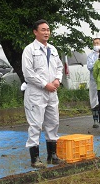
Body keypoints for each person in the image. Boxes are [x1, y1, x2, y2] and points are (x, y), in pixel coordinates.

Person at [22, 19, 64, 168]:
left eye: (48, 29)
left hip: (52, 92)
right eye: (43, 30)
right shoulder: (29, 50)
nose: (46, 32)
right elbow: (28, 73)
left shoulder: (52, 49)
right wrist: (45, 84)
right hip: (36, 93)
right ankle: (35, 158)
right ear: (35, 32)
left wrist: (57, 80)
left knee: (53, 122)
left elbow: (59, 66)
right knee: (35, 124)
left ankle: (52, 155)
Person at [87, 38, 100, 128]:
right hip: (94, 81)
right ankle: (95, 120)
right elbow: (89, 66)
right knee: (94, 100)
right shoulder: (90, 55)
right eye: (95, 43)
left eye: (98, 43)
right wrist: (98, 63)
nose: (96, 45)